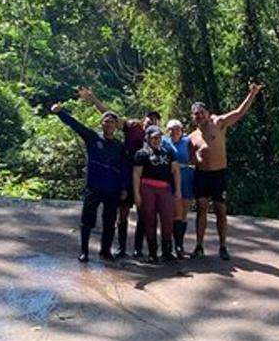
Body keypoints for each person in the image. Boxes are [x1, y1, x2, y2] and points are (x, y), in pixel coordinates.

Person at [77, 87, 161, 259]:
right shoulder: (132, 128)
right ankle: (121, 248)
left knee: (142, 212)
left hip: (146, 177)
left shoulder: (157, 137)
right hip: (127, 175)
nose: (150, 121)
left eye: (154, 120)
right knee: (122, 213)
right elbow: (109, 116)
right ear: (143, 119)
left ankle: (138, 248)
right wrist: (93, 98)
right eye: (149, 118)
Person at [189, 81, 262, 260]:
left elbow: (239, 112)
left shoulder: (219, 123)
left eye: (202, 113)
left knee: (221, 209)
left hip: (218, 174)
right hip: (202, 175)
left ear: (208, 113)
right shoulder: (191, 136)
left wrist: (252, 94)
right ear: (193, 117)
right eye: (196, 114)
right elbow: (189, 157)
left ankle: (223, 246)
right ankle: (199, 246)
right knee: (202, 209)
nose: (199, 116)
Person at [50, 95, 127, 262]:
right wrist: (60, 112)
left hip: (112, 189)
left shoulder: (119, 146)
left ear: (116, 126)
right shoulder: (92, 137)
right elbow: (76, 126)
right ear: (102, 123)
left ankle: (105, 251)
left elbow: (123, 168)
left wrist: (124, 188)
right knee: (87, 220)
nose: (109, 124)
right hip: (94, 186)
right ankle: (84, 251)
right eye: (106, 121)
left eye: (112, 122)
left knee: (109, 221)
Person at [133, 125, 182, 262]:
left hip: (165, 189)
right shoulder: (141, 154)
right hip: (147, 188)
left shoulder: (168, 152)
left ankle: (167, 251)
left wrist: (178, 189)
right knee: (149, 220)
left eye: (158, 137)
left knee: (167, 219)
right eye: (153, 137)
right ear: (147, 138)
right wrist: (136, 193)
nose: (156, 140)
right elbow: (137, 174)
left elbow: (176, 171)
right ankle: (152, 253)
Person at [162, 119, 195, 258]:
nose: (174, 132)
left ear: (182, 130)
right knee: (171, 212)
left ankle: (179, 245)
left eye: (177, 129)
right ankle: (168, 246)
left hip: (185, 176)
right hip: (168, 177)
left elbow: (194, 157)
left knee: (183, 212)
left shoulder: (187, 142)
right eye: (171, 129)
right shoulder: (163, 141)